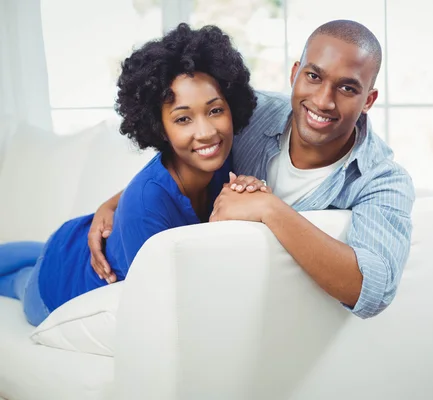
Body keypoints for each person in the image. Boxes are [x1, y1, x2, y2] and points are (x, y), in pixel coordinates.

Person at [90, 20, 415, 319]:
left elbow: (374, 290)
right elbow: (187, 150)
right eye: (313, 76)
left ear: (369, 100)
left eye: (347, 88)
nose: (323, 100)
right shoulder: (249, 111)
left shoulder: (382, 180)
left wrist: (269, 209)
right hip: (94, 258)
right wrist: (118, 201)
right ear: (294, 74)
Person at [0, 23, 264, 326]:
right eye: (183, 118)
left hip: (74, 245)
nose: (206, 132)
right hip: (54, 290)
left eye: (215, 110)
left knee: (30, 256)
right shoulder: (147, 205)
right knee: (19, 279)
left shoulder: (221, 156)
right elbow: (169, 309)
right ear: (159, 127)